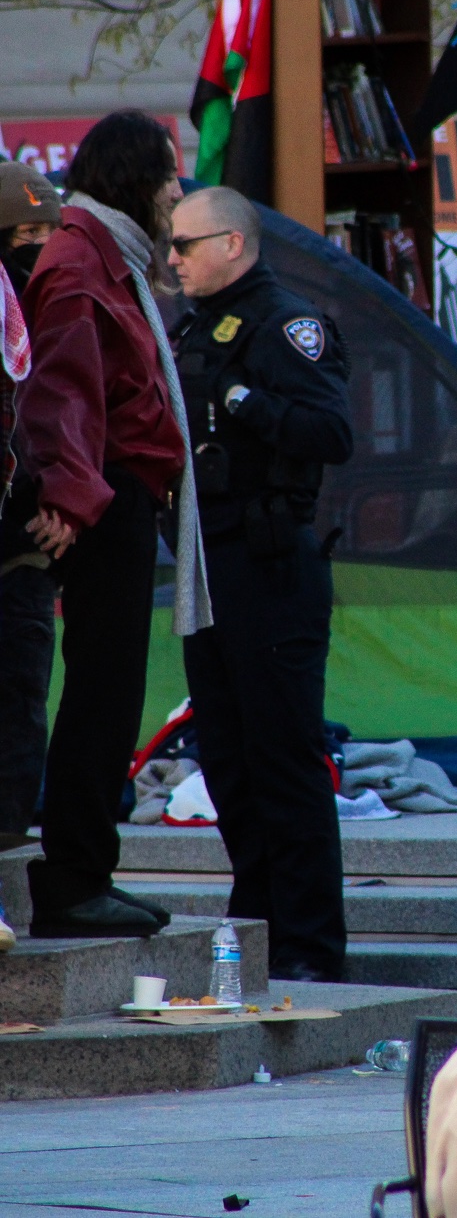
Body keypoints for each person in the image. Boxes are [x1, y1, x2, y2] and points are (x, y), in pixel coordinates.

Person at [14, 112, 206, 938]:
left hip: (114, 492)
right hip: (104, 497)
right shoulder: (82, 257)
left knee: (109, 689)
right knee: (100, 692)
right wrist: (70, 494)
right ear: (134, 176)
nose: (175, 191)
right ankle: (73, 877)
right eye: (168, 176)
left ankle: (84, 869)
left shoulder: (106, 253)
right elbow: (60, 386)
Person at [168, 184, 353, 979]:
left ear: (233, 245)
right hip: (208, 566)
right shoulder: (195, 325)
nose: (172, 257)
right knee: (230, 761)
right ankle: (259, 925)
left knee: (282, 759)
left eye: (185, 244)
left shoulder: (287, 323)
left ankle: (310, 945)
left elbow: (332, 430)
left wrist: (241, 398)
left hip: (270, 563)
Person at [0, 161, 61, 843]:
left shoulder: (55, 305)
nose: (41, 244)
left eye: (51, 229)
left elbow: (58, 414)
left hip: (25, 547)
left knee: (20, 713)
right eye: (26, 231)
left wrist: (60, 500)